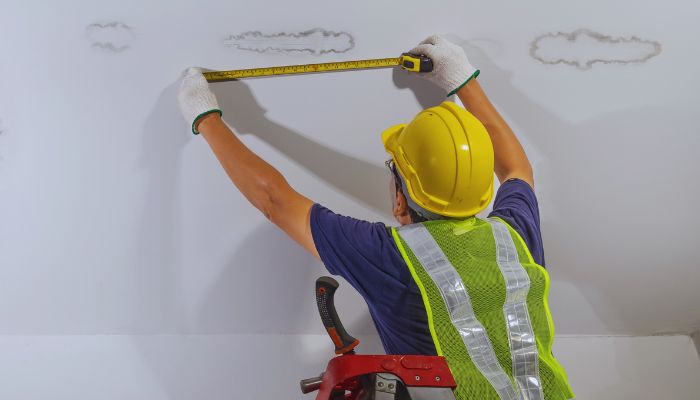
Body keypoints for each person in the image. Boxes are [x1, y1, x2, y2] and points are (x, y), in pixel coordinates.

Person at [178, 35, 573, 400]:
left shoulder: (387, 255)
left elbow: (274, 200)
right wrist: (462, 78)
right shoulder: (513, 234)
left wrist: (204, 115)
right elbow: (517, 169)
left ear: (401, 199)